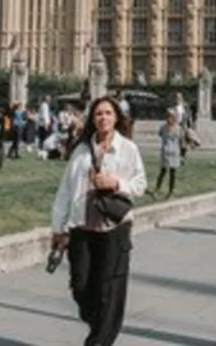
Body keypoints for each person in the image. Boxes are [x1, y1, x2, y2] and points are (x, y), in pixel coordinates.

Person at [51, 96, 147, 346]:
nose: (103, 118)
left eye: (108, 113)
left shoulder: (128, 148)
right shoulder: (81, 150)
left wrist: (116, 183)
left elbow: (140, 184)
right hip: (82, 227)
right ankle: (100, 327)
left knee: (109, 291)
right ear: (92, 119)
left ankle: (99, 340)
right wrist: (57, 228)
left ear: (116, 118)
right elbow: (65, 190)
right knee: (81, 286)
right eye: (98, 114)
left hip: (114, 228)